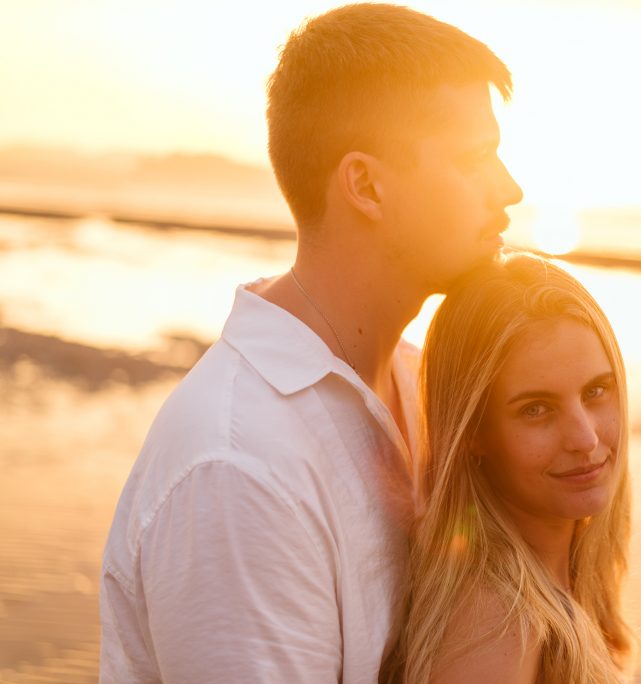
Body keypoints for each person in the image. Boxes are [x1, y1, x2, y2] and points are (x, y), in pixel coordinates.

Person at [99, 4, 522, 682]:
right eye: (476, 158)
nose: (510, 189)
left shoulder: (420, 386)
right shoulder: (237, 467)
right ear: (365, 185)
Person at [382, 253, 634, 683]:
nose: (586, 438)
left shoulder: (557, 581)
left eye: (596, 391)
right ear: (473, 432)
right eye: (536, 409)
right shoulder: (499, 623)